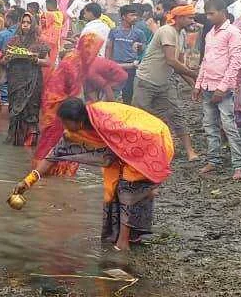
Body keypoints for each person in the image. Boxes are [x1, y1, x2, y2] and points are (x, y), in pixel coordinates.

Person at [14, 99, 175, 251]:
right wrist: (27, 182)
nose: (64, 126)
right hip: (128, 144)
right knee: (112, 187)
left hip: (150, 140)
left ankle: (123, 242)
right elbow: (54, 155)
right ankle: (129, 236)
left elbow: (132, 138)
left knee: (128, 188)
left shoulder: (106, 123)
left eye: (65, 122)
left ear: (78, 121)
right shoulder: (77, 129)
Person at [133, 5, 199, 160]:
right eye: (189, 17)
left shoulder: (181, 34)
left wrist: (194, 84)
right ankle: (139, 150)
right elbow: (171, 61)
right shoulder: (167, 31)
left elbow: (180, 65)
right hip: (146, 80)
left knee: (176, 114)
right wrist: (195, 75)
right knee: (140, 116)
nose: (192, 21)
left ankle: (190, 151)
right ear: (180, 18)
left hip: (165, 82)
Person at [194, 0, 241, 180]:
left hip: (222, 88)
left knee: (228, 125)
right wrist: (198, 84)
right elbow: (205, 60)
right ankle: (213, 160)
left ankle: (239, 165)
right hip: (208, 85)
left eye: (211, 13)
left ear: (222, 12)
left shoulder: (232, 32)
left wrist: (222, 88)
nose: (209, 17)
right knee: (209, 126)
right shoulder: (210, 33)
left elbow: (235, 63)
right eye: (207, 14)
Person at [36, 32, 104, 176]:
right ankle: (49, 171)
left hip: (62, 100)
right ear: (87, 48)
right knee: (59, 137)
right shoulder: (74, 61)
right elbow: (75, 92)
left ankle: (54, 170)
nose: (96, 53)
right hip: (57, 103)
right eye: (94, 50)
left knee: (64, 137)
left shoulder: (81, 60)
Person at [4, 12, 47, 146]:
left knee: (31, 108)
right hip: (15, 80)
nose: (26, 25)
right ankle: (15, 140)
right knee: (16, 111)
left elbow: (48, 61)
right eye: (23, 22)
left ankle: (30, 142)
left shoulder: (39, 42)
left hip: (33, 80)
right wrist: (9, 58)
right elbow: (4, 60)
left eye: (28, 23)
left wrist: (36, 59)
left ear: (33, 24)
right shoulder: (13, 41)